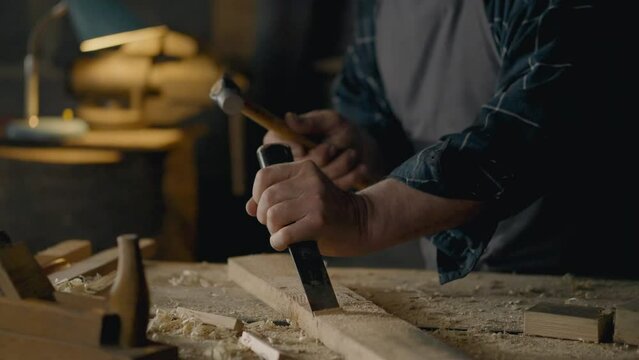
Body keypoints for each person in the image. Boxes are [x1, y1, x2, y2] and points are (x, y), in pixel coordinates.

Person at [245, 0, 637, 283]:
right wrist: (359, 149)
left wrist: (365, 216)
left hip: (590, 283)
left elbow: (524, 133)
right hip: (463, 288)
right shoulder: (379, 9)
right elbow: (376, 109)